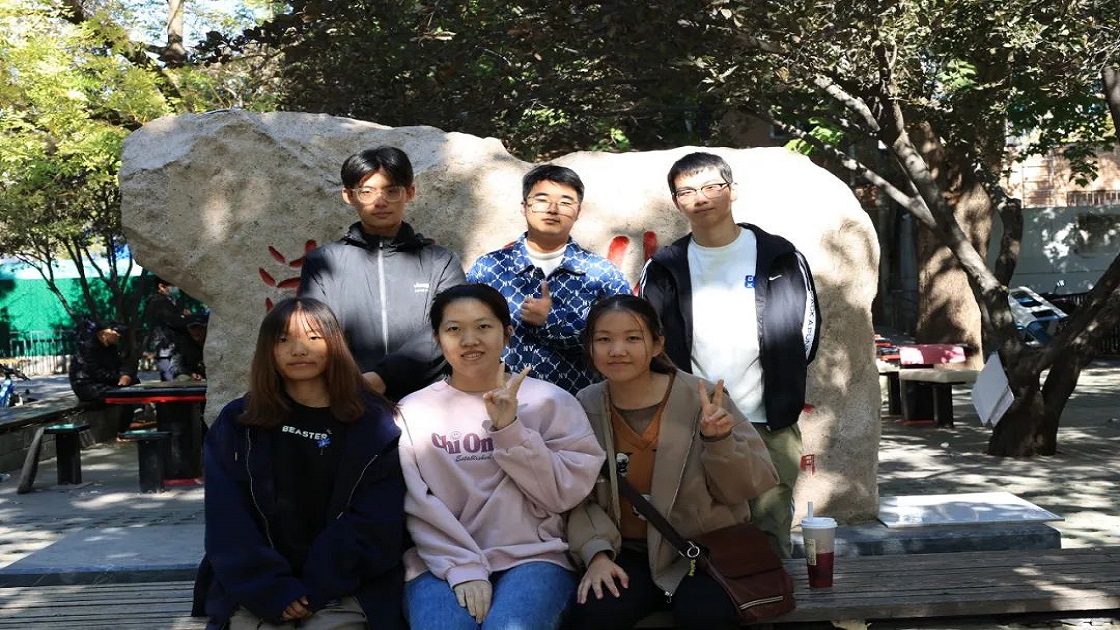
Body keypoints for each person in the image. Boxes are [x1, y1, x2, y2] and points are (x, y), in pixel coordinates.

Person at [639, 151, 820, 558]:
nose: (701, 198)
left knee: (769, 527)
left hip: (767, 419)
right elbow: (650, 341)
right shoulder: (665, 266)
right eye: (687, 191)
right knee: (700, 529)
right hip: (691, 421)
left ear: (732, 190)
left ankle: (771, 597)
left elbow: (806, 333)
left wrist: (782, 384)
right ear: (676, 202)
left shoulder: (779, 256)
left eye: (711, 187)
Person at [396, 283, 605, 630]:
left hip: (535, 557)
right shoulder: (412, 411)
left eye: (483, 326)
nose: (469, 340)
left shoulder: (551, 401)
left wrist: (509, 429)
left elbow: (563, 495)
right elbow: (417, 505)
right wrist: (463, 567)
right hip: (439, 562)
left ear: (507, 333)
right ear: (437, 338)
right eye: (454, 329)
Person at [566, 294, 779, 630]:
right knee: (594, 613)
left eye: (632, 338)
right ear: (590, 347)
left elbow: (746, 487)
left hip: (703, 550)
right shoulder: (585, 404)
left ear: (657, 344)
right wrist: (597, 554)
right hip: (626, 551)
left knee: (704, 616)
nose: (617, 350)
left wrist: (719, 441)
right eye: (604, 339)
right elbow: (579, 495)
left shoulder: (703, 399)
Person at [192, 297, 406, 630]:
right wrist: (272, 589)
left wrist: (315, 586)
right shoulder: (238, 421)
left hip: (347, 583)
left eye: (313, 337)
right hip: (258, 585)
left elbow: (377, 521)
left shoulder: (372, 422)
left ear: (335, 345)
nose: (299, 349)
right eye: (284, 339)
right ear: (268, 350)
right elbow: (227, 519)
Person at [300, 146, 466, 401]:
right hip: (349, 398)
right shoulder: (323, 262)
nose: (380, 201)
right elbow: (314, 331)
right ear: (348, 195)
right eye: (366, 191)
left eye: (391, 190)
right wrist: (351, 384)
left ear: (410, 192)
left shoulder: (441, 261)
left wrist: (383, 378)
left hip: (430, 401)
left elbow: (452, 326)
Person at [466, 164, 631, 394]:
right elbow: (463, 330)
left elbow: (625, 336)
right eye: (542, 200)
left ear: (578, 211)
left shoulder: (602, 274)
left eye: (565, 202)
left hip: (579, 403)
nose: (553, 209)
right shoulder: (488, 269)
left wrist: (552, 320)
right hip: (497, 400)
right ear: (524, 207)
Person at [68, 320, 137, 434]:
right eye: (116, 332)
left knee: (134, 384)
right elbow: (97, 373)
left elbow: (121, 365)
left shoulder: (111, 348)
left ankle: (127, 426)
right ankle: (123, 432)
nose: (119, 335)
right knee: (124, 395)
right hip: (88, 386)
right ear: (104, 333)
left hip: (105, 382)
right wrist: (119, 378)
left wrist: (126, 375)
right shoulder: (88, 348)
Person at [143, 276, 193, 382]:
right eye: (173, 285)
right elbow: (173, 320)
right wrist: (185, 318)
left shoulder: (172, 301)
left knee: (181, 380)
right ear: (161, 286)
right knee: (172, 382)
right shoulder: (157, 302)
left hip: (175, 347)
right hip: (166, 347)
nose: (176, 288)